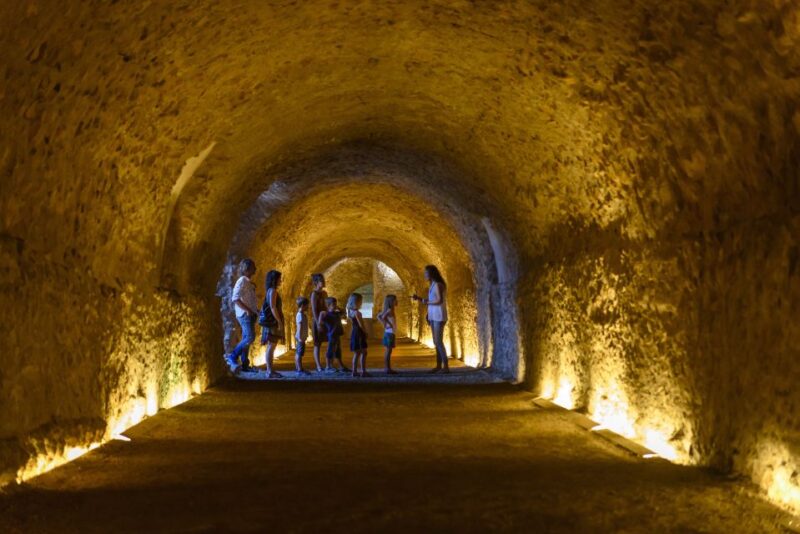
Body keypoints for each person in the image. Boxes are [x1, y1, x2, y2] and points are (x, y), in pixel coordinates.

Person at [412, 265, 450, 374]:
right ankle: (438, 366)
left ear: (432, 273)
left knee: (438, 341)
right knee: (435, 341)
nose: (425, 275)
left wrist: (427, 302)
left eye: (426, 273)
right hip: (433, 315)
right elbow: (432, 300)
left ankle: (446, 366)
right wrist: (420, 299)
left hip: (439, 316)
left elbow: (439, 300)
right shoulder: (433, 285)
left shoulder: (438, 285)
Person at [225, 258, 259, 374]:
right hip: (245, 315)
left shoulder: (248, 282)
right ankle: (232, 356)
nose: (255, 269)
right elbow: (235, 298)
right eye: (253, 267)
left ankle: (245, 364)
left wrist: (255, 310)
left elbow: (249, 299)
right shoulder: (242, 280)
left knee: (246, 339)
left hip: (249, 314)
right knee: (250, 337)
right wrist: (248, 310)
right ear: (247, 269)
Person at [259, 270, 285, 378]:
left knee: (271, 346)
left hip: (271, 323)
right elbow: (273, 307)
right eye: (279, 278)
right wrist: (279, 321)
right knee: (271, 346)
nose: (280, 281)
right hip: (272, 323)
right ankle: (269, 371)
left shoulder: (270, 290)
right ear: (274, 279)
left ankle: (270, 370)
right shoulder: (273, 291)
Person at [319, 297, 350, 373]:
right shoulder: (326, 314)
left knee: (338, 350)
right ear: (328, 305)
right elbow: (320, 322)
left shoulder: (336, 313)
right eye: (333, 304)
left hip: (337, 334)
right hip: (331, 334)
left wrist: (338, 308)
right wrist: (322, 315)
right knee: (330, 350)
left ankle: (341, 366)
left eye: (336, 304)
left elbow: (344, 313)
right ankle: (328, 366)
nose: (335, 305)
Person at [347, 293, 369, 377]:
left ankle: (354, 371)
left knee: (356, 353)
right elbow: (361, 325)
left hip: (354, 332)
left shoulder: (351, 312)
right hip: (359, 333)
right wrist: (365, 332)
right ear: (357, 302)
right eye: (361, 301)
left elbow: (354, 325)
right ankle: (363, 371)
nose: (361, 303)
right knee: (364, 352)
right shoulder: (357, 313)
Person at [309, 274, 328, 373]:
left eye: (323, 280)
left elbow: (327, 307)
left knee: (328, 341)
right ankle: (318, 366)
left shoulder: (324, 293)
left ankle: (328, 364)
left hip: (325, 320)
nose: (324, 282)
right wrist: (318, 323)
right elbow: (314, 309)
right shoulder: (314, 294)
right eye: (321, 281)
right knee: (317, 344)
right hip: (317, 321)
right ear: (316, 282)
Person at [377, 294, 398, 375]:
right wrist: (387, 324)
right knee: (388, 351)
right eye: (395, 300)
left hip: (390, 332)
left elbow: (379, 316)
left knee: (388, 351)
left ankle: (388, 368)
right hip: (389, 333)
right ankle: (387, 368)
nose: (397, 301)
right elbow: (381, 317)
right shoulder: (389, 310)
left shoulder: (390, 310)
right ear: (391, 302)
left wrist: (387, 323)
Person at [294, 296, 311, 376]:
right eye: (307, 305)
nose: (308, 306)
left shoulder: (302, 314)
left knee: (299, 353)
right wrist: (300, 337)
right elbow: (299, 327)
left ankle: (298, 368)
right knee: (299, 353)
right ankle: (299, 369)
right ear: (302, 305)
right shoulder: (300, 315)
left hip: (302, 337)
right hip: (300, 338)